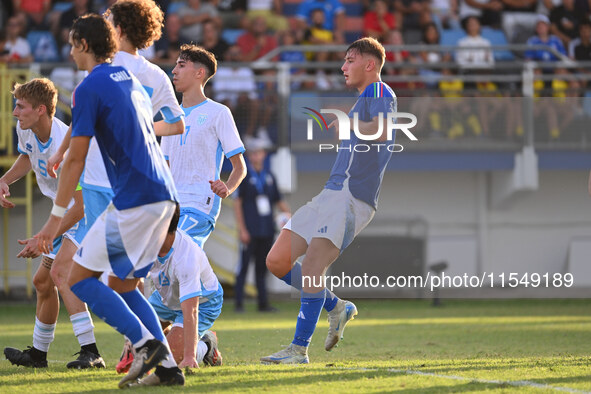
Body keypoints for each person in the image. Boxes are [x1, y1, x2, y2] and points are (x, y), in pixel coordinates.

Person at [33, 14, 183, 388]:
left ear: (84, 44)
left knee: (76, 278)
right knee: (123, 285)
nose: (69, 52)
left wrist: (54, 219)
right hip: (163, 196)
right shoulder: (129, 79)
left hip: (135, 198)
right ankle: (168, 371)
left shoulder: (88, 87)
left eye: (71, 44)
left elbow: (77, 160)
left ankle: (147, 346)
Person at [261, 37, 396, 364]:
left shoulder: (379, 91)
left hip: (352, 197)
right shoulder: (364, 98)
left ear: (369, 64)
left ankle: (298, 350)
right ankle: (336, 306)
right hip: (331, 193)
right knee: (277, 261)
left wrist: (350, 124)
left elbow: (383, 131)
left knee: (311, 267)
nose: (343, 66)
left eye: (350, 60)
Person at [1, 78, 104, 370]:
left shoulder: (65, 143)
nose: (14, 112)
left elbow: (82, 205)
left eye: (20, 107)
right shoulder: (28, 131)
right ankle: (38, 355)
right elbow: (27, 157)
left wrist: (43, 237)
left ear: (42, 109)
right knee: (42, 282)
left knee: (61, 273)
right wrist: (4, 180)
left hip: (87, 210)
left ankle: (92, 352)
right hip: (64, 212)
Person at [163, 44, 246, 247]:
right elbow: (164, 169)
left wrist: (227, 187)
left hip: (200, 205)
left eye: (181, 65)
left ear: (199, 73)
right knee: (165, 270)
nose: (174, 71)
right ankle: (209, 281)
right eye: (175, 65)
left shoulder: (219, 112)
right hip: (171, 208)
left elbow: (240, 167)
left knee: (175, 249)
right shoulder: (170, 117)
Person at [147, 206, 224, 369]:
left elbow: (191, 310)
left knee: (167, 359)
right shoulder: (146, 242)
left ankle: (206, 346)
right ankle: (177, 334)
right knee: (142, 352)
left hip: (203, 303)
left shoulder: (186, 256)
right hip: (164, 298)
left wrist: (189, 357)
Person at [234, 138, 290, 313]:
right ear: (249, 156)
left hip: (266, 230)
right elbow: (237, 203)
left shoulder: (269, 175)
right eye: (253, 153)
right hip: (249, 230)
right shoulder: (243, 175)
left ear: (264, 154)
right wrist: (242, 229)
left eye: (259, 152)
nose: (256, 156)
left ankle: (263, 304)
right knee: (243, 266)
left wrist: (293, 218)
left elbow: (278, 201)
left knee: (262, 267)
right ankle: (238, 304)